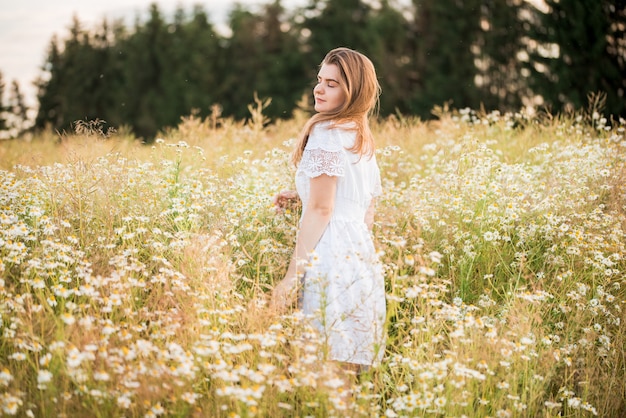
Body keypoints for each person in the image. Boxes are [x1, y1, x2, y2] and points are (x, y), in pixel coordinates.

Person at [271, 47, 386, 370]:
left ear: (354, 90)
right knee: (342, 383)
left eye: (332, 83)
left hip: (329, 263)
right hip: (361, 263)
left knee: (321, 380)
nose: (319, 89)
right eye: (320, 80)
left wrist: (292, 276)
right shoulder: (361, 137)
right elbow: (362, 208)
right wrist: (302, 193)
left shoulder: (326, 133)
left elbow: (323, 210)